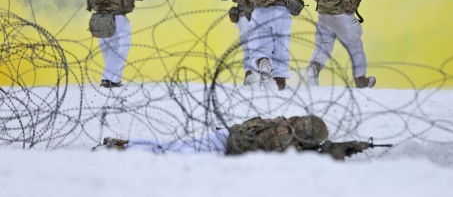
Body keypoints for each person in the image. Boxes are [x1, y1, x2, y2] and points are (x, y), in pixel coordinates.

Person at [100, 115, 387, 160]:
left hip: (225, 138)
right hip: (222, 146)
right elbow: (281, 158)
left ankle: (126, 145)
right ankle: (125, 151)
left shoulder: (288, 128)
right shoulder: (283, 137)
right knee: (172, 154)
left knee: (172, 148)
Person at [306, 0, 379, 89]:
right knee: (355, 45)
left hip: (323, 14)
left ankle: (313, 68)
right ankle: (361, 79)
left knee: (324, 46)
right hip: (341, 15)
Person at [86, 0, 146, 88]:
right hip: (117, 18)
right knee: (120, 49)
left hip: (99, 18)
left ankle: (111, 79)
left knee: (108, 50)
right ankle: (109, 79)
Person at [219, 0, 261, 85]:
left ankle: (250, 74)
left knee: (248, 50)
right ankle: (264, 75)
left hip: (244, 19)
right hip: (261, 17)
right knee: (263, 47)